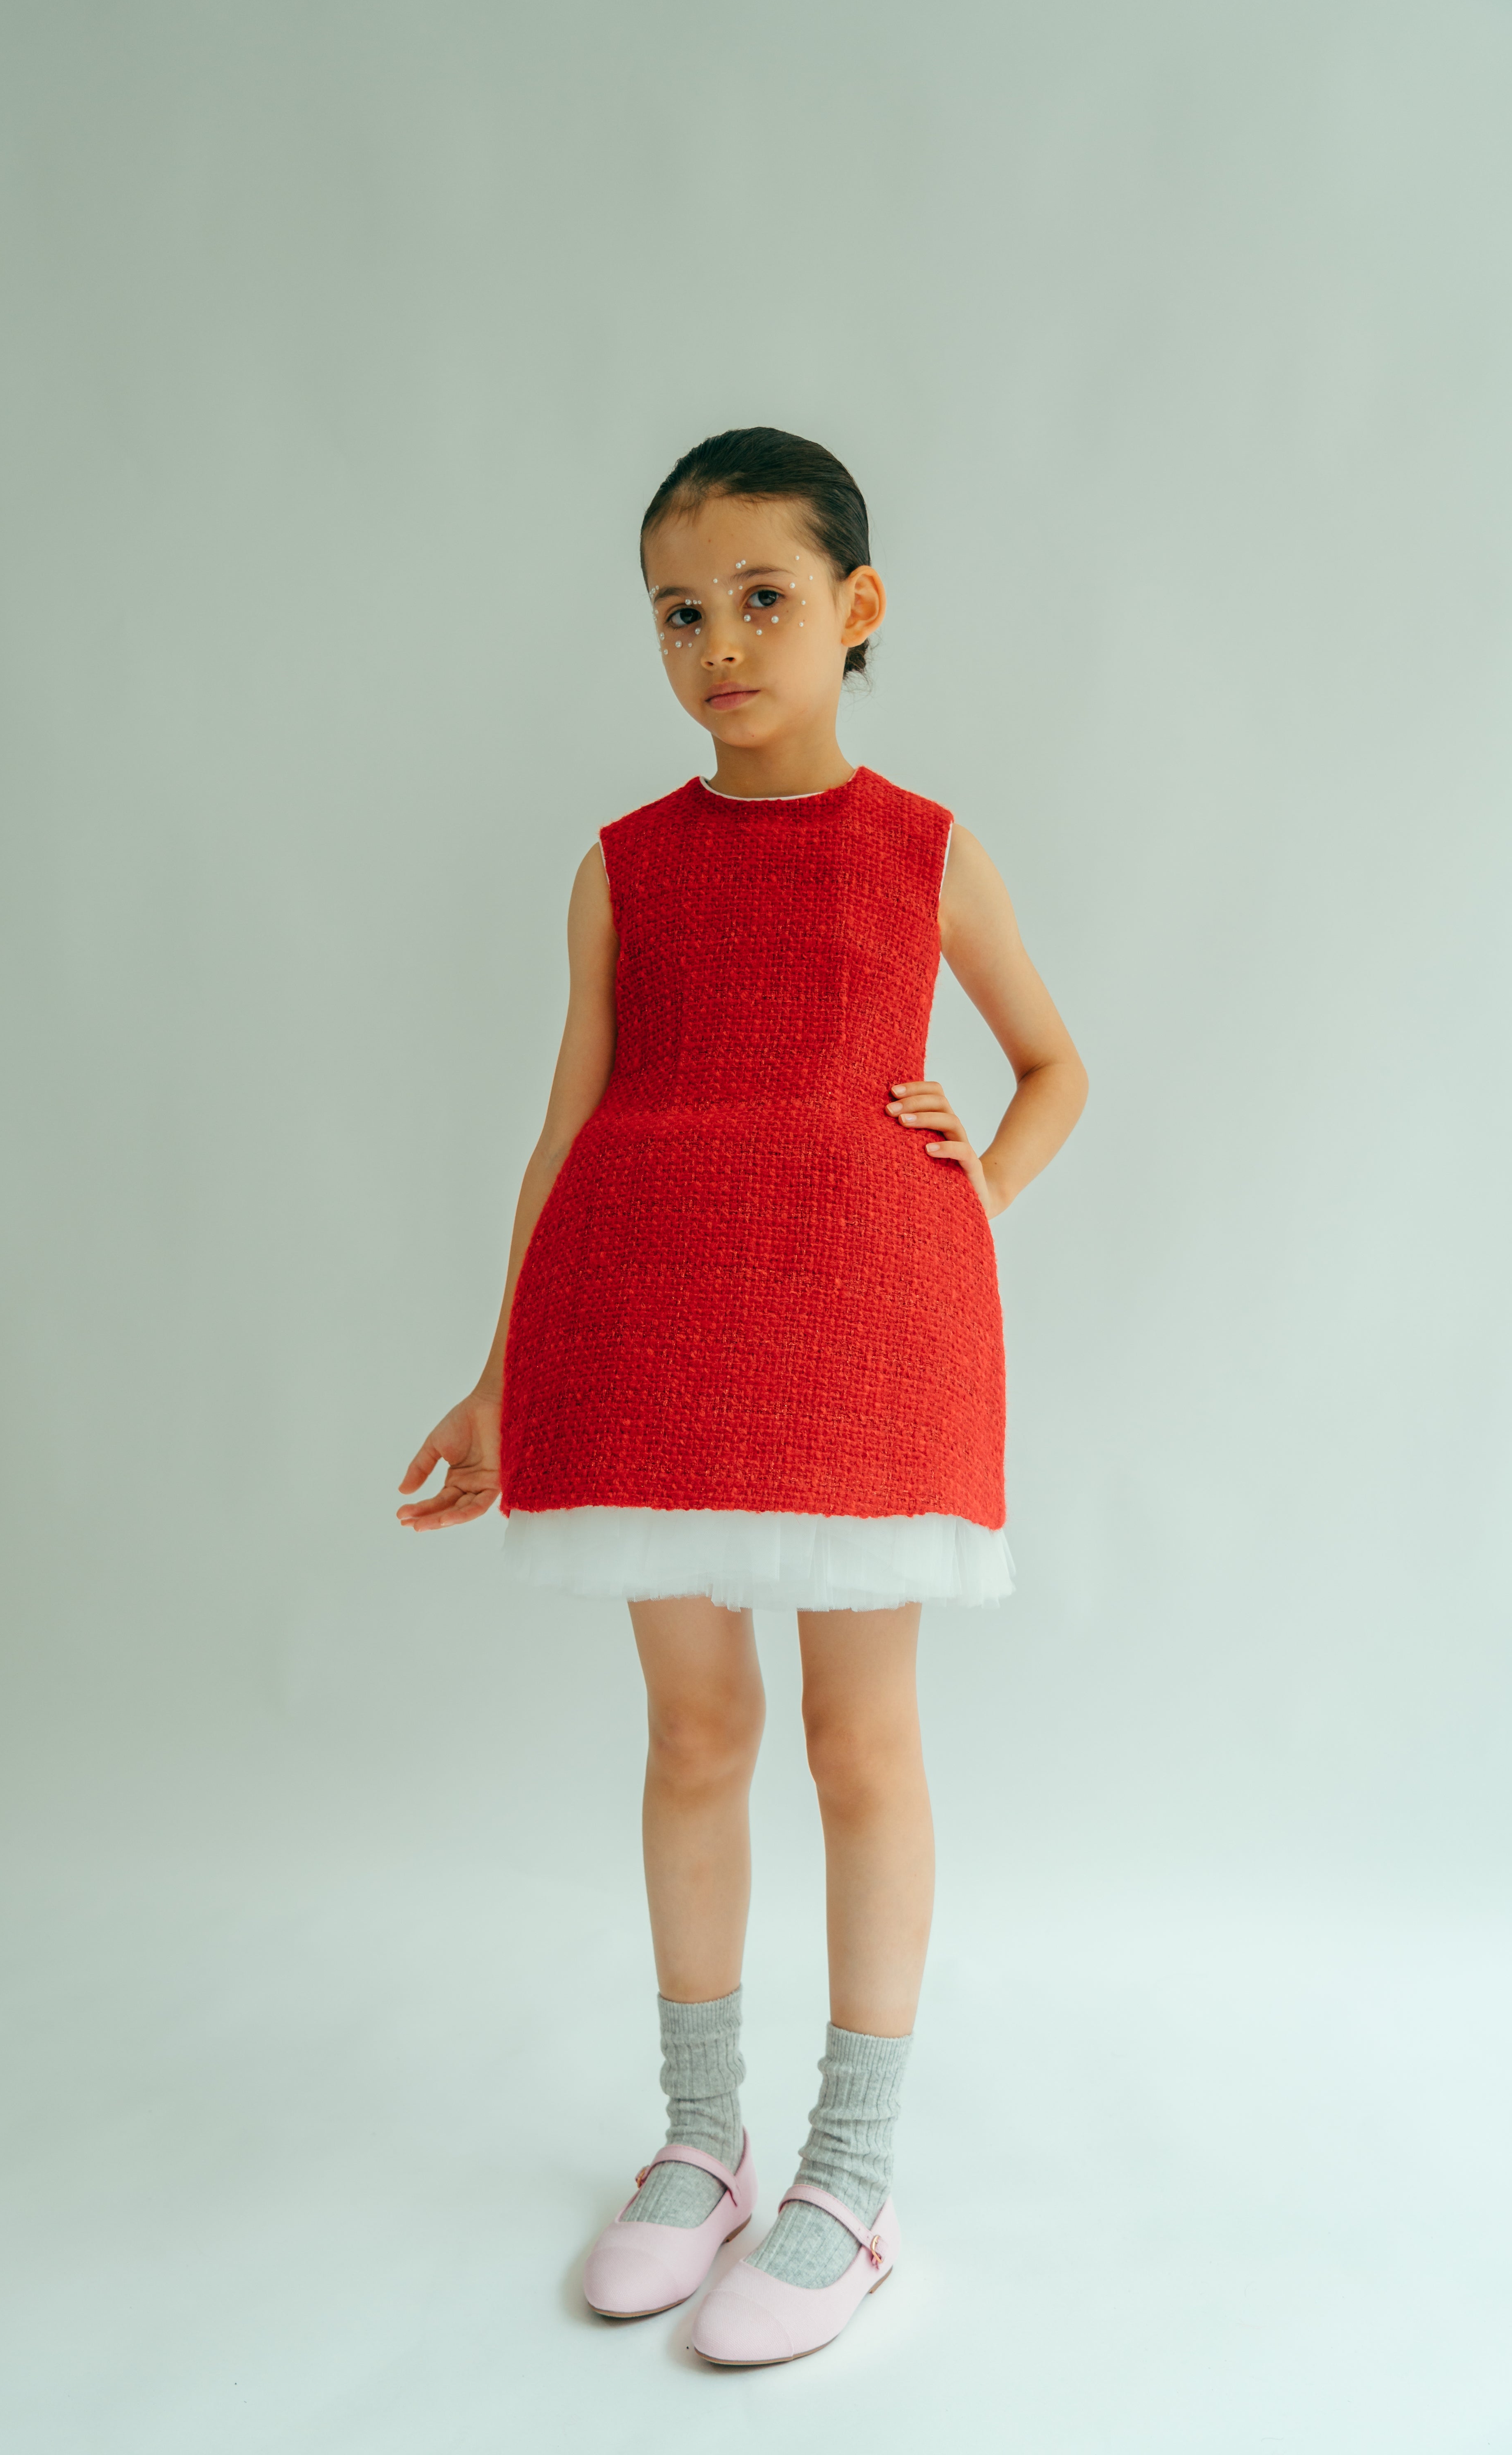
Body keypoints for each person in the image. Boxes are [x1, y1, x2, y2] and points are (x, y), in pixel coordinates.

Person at [397, 427, 1087, 2366]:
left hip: (867, 1325)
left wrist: (974, 1190)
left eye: (761, 600)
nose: (718, 644)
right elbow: (568, 1129)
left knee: (858, 1746)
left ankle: (846, 2176)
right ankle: (700, 2146)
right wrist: (498, 1377)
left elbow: (1054, 1067)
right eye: (678, 614)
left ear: (858, 611)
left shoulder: (923, 847)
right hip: (646, 1316)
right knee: (693, 1734)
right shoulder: (623, 868)